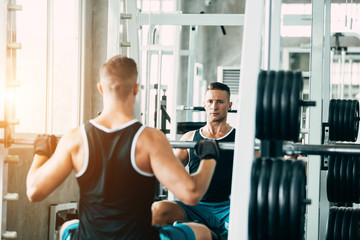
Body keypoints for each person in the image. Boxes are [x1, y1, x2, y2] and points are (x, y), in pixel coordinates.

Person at [26, 55, 220, 240]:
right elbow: (192, 193)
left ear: (101, 88)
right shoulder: (150, 139)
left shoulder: (75, 138)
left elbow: (34, 191)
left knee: (68, 228)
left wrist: (41, 152)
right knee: (201, 232)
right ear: (135, 89)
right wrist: (209, 157)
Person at [152, 82, 235, 239]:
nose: (214, 106)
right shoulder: (190, 138)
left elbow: (262, 171)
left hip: (228, 207)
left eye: (220, 102)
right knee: (158, 210)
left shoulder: (239, 139)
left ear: (229, 105)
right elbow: (171, 171)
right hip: (196, 206)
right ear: (204, 104)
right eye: (210, 102)